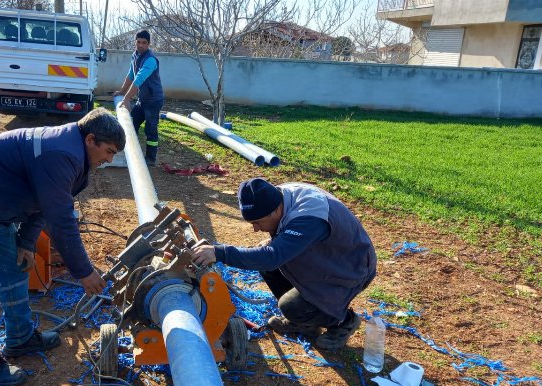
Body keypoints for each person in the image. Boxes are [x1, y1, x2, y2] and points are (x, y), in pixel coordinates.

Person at [0, 108, 125, 386]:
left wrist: (26, 241)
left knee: (15, 269)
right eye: (109, 151)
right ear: (91, 139)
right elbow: (61, 220)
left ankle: (20, 338)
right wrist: (83, 271)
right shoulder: (62, 154)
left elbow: (45, 204)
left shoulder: (72, 154)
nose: (109, 159)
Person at [192, 178, 377, 350]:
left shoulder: (308, 218)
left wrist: (219, 252)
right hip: (326, 257)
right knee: (263, 260)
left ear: (275, 211)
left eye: (257, 222)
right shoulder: (279, 196)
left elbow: (272, 257)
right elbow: (270, 256)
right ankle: (305, 322)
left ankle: (343, 322)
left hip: (350, 269)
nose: (256, 229)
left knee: (290, 305)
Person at [114, 29, 164, 167]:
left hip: (153, 101)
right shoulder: (135, 55)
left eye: (144, 43)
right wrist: (122, 92)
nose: (140, 45)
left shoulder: (150, 60)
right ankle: (131, 153)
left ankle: (150, 159)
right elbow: (131, 74)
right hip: (143, 99)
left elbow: (138, 79)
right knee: (132, 123)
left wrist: (127, 98)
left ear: (149, 44)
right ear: (135, 42)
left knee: (151, 129)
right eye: (138, 42)